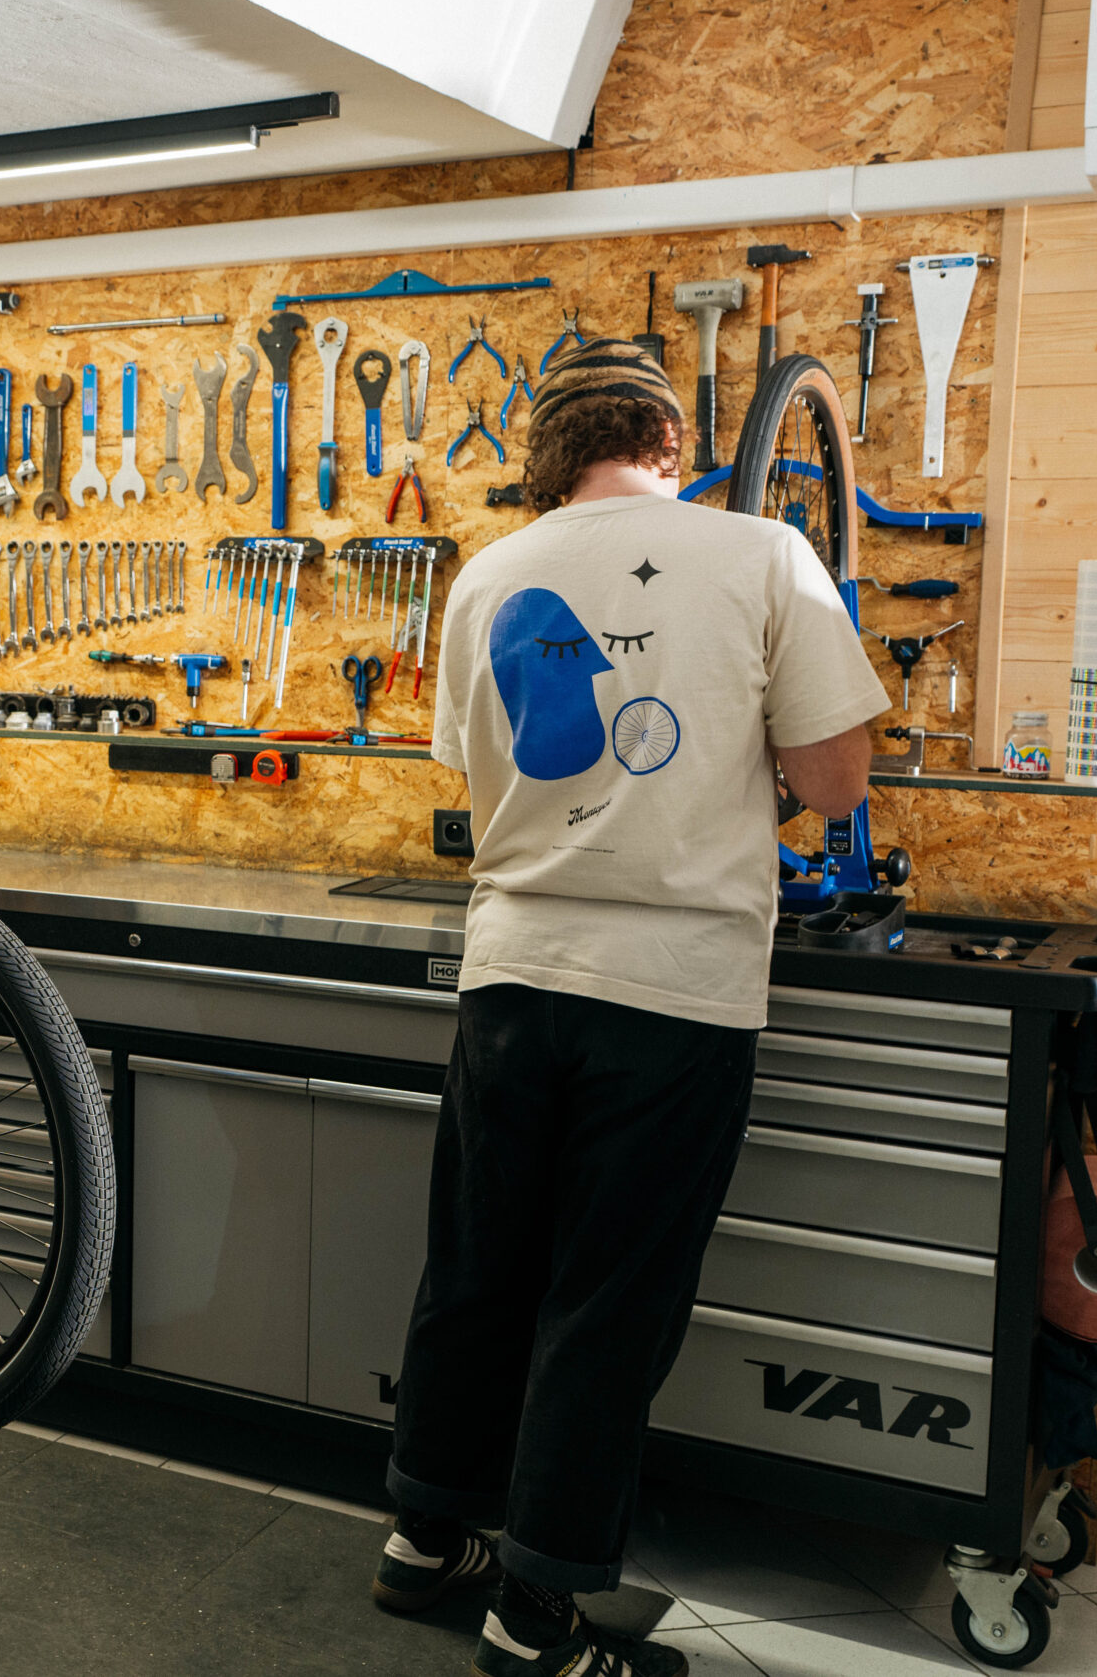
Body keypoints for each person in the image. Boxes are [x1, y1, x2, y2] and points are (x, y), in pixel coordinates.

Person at [369, 340, 893, 1677]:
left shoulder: (487, 575)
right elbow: (838, 782)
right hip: (672, 994)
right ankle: (535, 1619)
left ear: (550, 456)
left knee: (477, 1271)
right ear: (670, 442)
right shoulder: (764, 554)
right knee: (605, 1306)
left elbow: (470, 768)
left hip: (511, 973)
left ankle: (425, 1541)